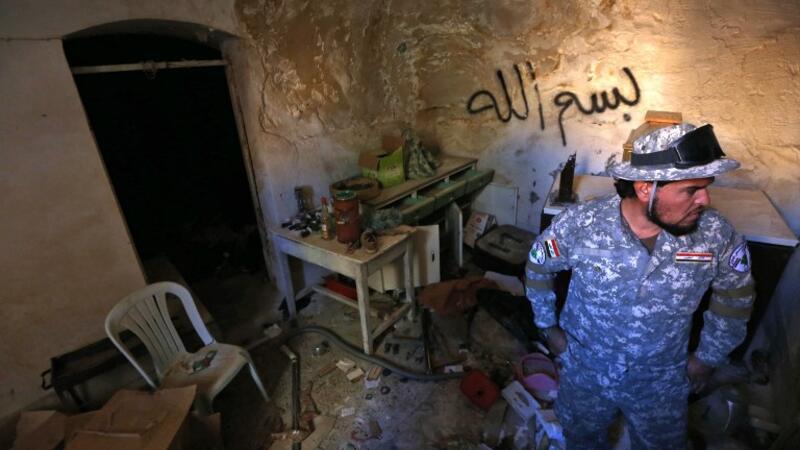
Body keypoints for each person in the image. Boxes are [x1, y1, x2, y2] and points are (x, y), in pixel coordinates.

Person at [525, 122, 755, 449]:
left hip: (660, 382)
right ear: (646, 188)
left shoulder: (715, 235)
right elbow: (538, 263)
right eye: (691, 189)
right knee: (583, 440)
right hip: (585, 375)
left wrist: (707, 357)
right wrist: (548, 328)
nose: (705, 199)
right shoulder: (581, 225)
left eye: (706, 186)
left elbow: (736, 295)